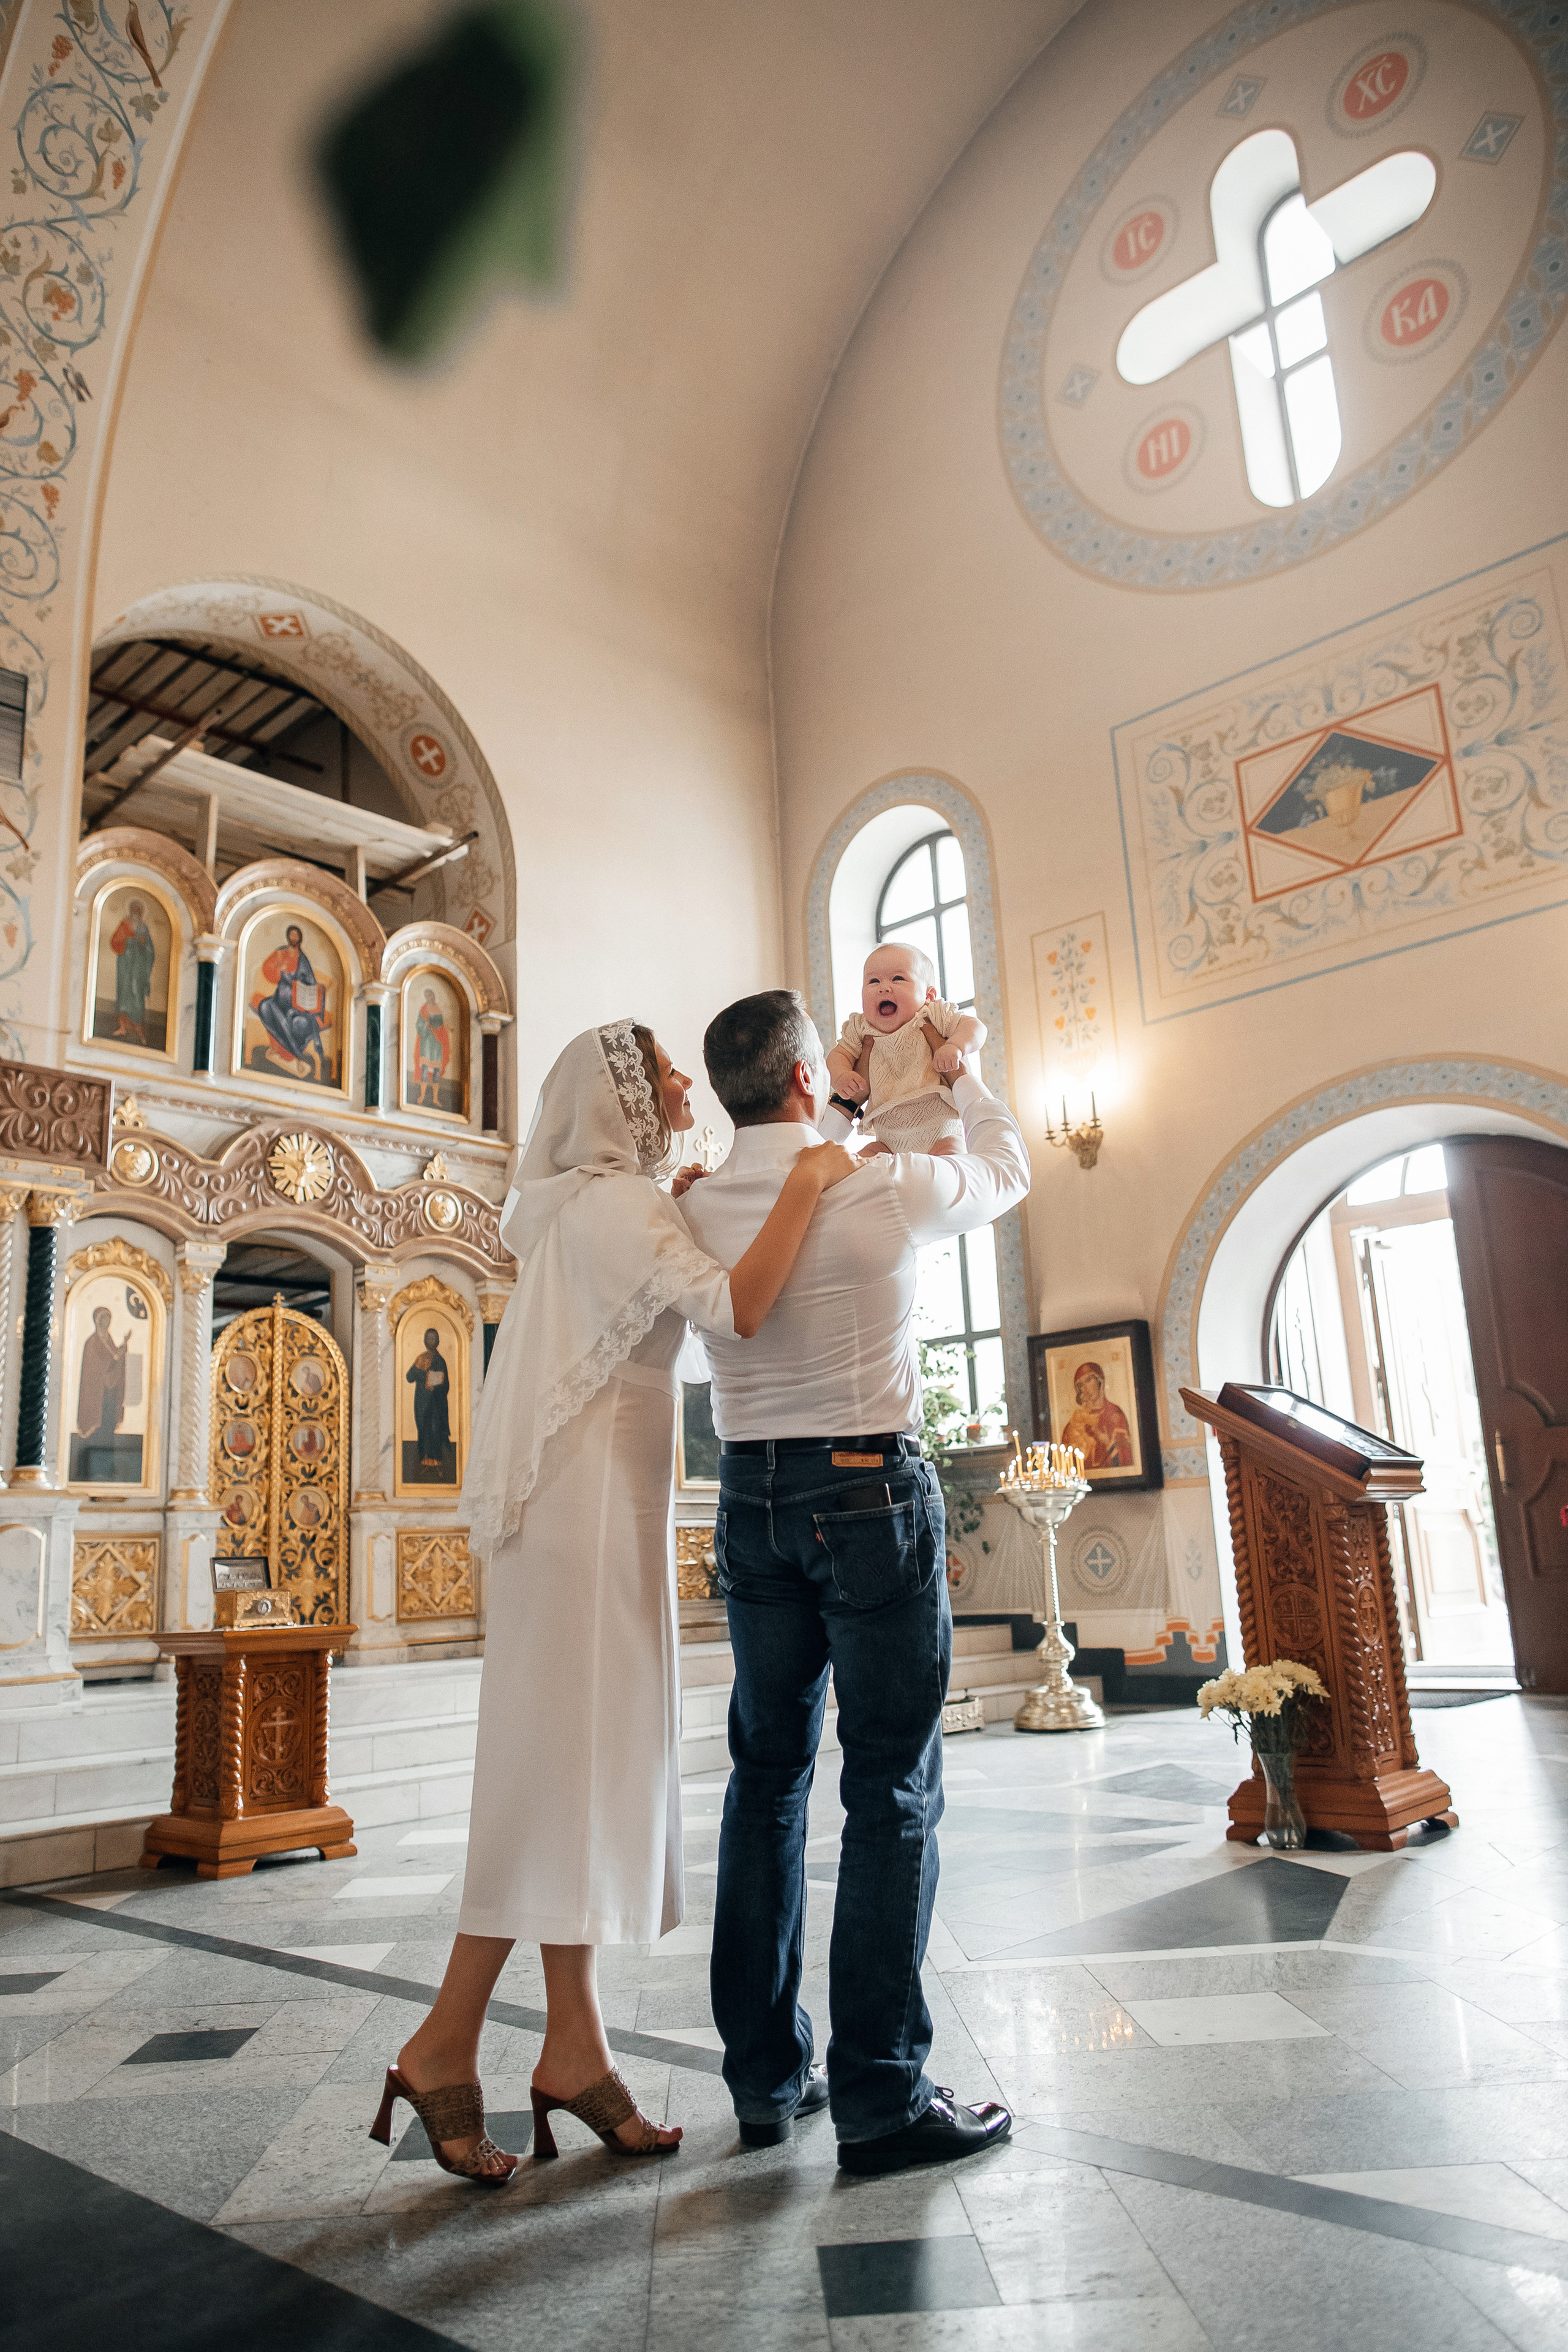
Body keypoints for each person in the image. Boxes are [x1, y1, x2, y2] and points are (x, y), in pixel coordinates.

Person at [375, 1019, 858, 2185]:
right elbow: (738, 1309)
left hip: (585, 1512)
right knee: (561, 1778)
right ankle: (443, 2042)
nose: (686, 1082)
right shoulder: (622, 1208)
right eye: (664, 1071)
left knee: (571, 1778)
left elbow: (670, 1328)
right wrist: (813, 1172)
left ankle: (575, 2051)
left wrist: (679, 1207)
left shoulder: (590, 1204)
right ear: (625, 1099)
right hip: (590, 1517)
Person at [678, 989, 1027, 2175]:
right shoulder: (881, 1183)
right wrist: (960, 1068)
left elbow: (787, 1165)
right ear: (798, 1080)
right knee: (887, 1784)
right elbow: (1006, 1172)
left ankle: (765, 2076)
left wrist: (832, 1099)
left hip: (747, 1502)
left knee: (763, 1778)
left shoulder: (698, 1201)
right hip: (867, 1496)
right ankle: (880, 2091)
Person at [824, 941, 986, 1155]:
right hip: (888, 1139)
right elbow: (840, 1054)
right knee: (860, 1164)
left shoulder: (932, 1014)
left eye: (898, 979)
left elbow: (976, 1027)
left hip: (940, 1130)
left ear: (928, 996)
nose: (884, 987)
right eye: (873, 981)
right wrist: (842, 1075)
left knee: (954, 1157)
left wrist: (956, 1046)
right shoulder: (861, 1027)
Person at [252, 923, 331, 1079]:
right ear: (288, 937)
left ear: (300, 939)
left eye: (297, 935)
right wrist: (278, 971)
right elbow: (267, 971)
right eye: (292, 935)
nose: (294, 937)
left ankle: (288, 1054)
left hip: (299, 1007)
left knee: (300, 1024)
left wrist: (312, 992)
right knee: (266, 1006)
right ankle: (286, 1054)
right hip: (280, 1000)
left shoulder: (304, 960)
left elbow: (311, 983)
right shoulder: (280, 954)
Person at [1060, 1360, 1133, 1469]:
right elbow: (1066, 1465)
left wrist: (1106, 1442)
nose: (1084, 1387)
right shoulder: (1073, 1425)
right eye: (1080, 1384)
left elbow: (1125, 1460)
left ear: (1100, 1381)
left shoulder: (1115, 1414)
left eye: (1089, 1380)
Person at [108, 899, 156, 1046]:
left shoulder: (144, 927)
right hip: (126, 963)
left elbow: (149, 949)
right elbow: (116, 939)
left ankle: (138, 1029)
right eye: (134, 908)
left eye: (138, 908)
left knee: (136, 993)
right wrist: (127, 939)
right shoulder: (125, 923)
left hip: (138, 966)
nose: (136, 911)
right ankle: (123, 1027)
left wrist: (143, 944)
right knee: (124, 992)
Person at [406, 1325, 451, 1472]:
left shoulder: (440, 1361)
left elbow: (445, 1385)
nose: (430, 1341)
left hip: (435, 1403)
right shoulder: (421, 1358)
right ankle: (424, 1460)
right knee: (423, 1429)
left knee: (434, 1429)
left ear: (438, 1341)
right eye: (428, 1338)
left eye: (433, 1338)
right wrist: (424, 1375)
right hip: (421, 1401)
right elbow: (409, 1377)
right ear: (424, 1340)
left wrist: (434, 1383)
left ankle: (436, 1461)